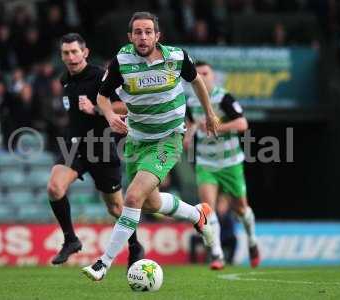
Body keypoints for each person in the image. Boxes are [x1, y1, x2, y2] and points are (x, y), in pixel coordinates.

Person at [82, 11, 221, 281]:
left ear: (158, 36)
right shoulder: (122, 61)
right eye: (138, 32)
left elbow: (197, 82)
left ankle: (103, 262)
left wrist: (210, 113)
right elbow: (101, 97)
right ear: (130, 37)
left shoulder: (176, 57)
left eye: (148, 32)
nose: (143, 37)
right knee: (150, 202)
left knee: (132, 198)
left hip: (167, 139)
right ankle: (197, 214)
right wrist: (110, 116)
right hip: (137, 139)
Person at [47, 33, 144, 267]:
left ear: (85, 52)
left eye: (74, 52)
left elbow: (126, 105)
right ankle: (71, 240)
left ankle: (134, 245)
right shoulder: (65, 80)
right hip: (74, 146)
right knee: (54, 188)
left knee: (116, 207)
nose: (70, 57)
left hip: (100, 147)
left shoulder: (102, 76)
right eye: (66, 53)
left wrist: (96, 109)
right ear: (62, 56)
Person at [183, 61, 260, 269]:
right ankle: (216, 254)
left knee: (242, 210)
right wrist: (188, 136)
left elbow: (243, 124)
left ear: (213, 76)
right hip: (206, 162)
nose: (202, 77)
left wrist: (218, 126)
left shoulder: (223, 97)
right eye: (197, 74)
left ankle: (252, 241)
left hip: (230, 162)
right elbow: (191, 124)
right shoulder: (190, 101)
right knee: (208, 209)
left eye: (205, 73)